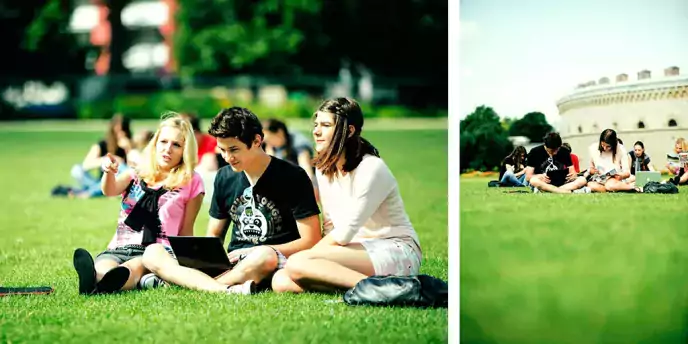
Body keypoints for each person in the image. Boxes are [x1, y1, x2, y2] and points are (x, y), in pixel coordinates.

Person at [142, 107, 322, 295]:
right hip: (233, 263)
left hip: (270, 260)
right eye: (222, 150)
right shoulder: (224, 176)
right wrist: (202, 259)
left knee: (264, 256)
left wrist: (252, 251)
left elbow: (311, 240)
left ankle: (187, 284)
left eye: (234, 150)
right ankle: (222, 288)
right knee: (154, 252)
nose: (228, 158)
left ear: (257, 141)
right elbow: (214, 235)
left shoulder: (293, 176)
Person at [271, 97, 422, 294]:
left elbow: (344, 233)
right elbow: (331, 226)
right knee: (281, 281)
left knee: (298, 263)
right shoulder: (324, 169)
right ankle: (361, 286)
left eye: (325, 125)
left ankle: (391, 289)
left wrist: (306, 257)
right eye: (316, 124)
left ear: (349, 130)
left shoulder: (371, 168)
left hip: (395, 250)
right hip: (354, 250)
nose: (316, 131)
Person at [72, 114, 204, 295]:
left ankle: (101, 282)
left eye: (176, 145)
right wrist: (108, 172)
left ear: (185, 150)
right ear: (155, 143)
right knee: (105, 266)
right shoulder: (136, 173)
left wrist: (189, 264)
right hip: (120, 247)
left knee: (132, 268)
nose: (168, 149)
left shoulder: (192, 181)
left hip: (157, 253)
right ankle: (97, 278)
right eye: (163, 142)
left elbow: (187, 229)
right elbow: (109, 190)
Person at [55, 114, 132, 198]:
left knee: (122, 169)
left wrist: (128, 149)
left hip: (117, 182)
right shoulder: (103, 144)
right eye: (117, 131)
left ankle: (85, 193)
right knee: (76, 169)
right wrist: (105, 161)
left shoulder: (130, 145)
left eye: (123, 130)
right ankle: (93, 191)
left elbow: (132, 171)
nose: (120, 134)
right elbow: (86, 165)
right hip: (100, 182)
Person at [262, 118, 319, 200]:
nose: (268, 143)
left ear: (279, 132)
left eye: (269, 139)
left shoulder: (298, 142)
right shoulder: (271, 147)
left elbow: (305, 167)